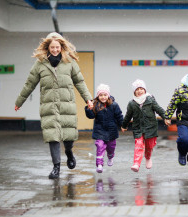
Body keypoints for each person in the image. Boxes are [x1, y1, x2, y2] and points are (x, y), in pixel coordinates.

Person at [15, 32, 93, 179]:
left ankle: (69, 153)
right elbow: (29, 84)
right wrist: (19, 102)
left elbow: (80, 82)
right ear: (48, 47)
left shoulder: (69, 62)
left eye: (57, 47)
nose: (55, 50)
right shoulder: (40, 64)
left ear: (61, 47)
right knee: (53, 137)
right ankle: (56, 167)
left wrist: (88, 99)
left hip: (66, 106)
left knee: (68, 138)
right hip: (49, 106)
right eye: (52, 47)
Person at [121, 79, 167, 172]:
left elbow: (159, 109)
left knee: (150, 145)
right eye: (137, 89)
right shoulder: (132, 103)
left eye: (141, 88)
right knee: (139, 144)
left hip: (151, 127)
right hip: (138, 128)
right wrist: (124, 125)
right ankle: (136, 164)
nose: (139, 91)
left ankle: (148, 157)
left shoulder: (150, 99)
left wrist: (166, 117)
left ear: (145, 90)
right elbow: (128, 115)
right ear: (134, 92)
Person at [85, 84, 123, 173]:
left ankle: (110, 157)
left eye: (105, 95)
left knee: (111, 147)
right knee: (100, 146)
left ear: (108, 95)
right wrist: (88, 109)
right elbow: (90, 116)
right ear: (98, 96)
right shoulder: (96, 105)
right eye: (101, 95)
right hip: (100, 131)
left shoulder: (114, 105)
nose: (103, 97)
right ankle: (99, 165)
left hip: (111, 131)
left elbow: (119, 116)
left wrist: (122, 125)